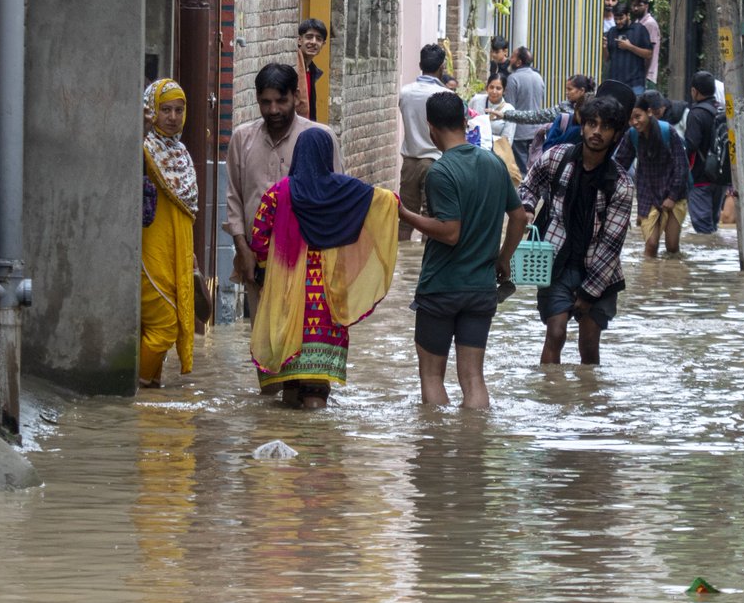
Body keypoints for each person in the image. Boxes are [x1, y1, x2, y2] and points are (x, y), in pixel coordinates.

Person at [250, 128, 399, 408]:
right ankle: (317, 443)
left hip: (286, 298)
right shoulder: (343, 192)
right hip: (326, 303)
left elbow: (258, 239)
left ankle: (292, 443)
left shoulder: (278, 194)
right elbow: (384, 201)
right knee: (316, 390)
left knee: (290, 388)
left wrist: (268, 269)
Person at [400, 92, 527, 408]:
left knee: (431, 376)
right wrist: (503, 258)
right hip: (481, 289)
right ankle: (472, 451)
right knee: (473, 378)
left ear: (430, 127)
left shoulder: (441, 172)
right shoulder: (494, 163)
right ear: (465, 121)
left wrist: (405, 214)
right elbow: (520, 216)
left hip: (441, 287)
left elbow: (450, 232)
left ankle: (437, 449)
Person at [518, 96, 632, 365]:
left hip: (600, 273)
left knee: (589, 343)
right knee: (555, 333)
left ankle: (588, 399)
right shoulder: (557, 158)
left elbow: (610, 246)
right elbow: (529, 184)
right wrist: (527, 207)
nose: (596, 132)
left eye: (605, 127)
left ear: (615, 135)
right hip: (556, 264)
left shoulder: (621, 185)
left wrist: (588, 293)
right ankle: (549, 398)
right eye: (592, 124)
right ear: (583, 126)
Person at [226, 63, 340, 321]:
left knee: (304, 346)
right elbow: (234, 198)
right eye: (266, 102)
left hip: (309, 262)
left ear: (296, 96)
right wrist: (242, 249)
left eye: (281, 100)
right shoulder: (242, 139)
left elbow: (337, 199)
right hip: (258, 263)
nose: (273, 110)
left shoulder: (319, 137)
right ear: (257, 99)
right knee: (263, 342)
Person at [140, 79, 197, 387]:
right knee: (163, 328)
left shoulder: (181, 153)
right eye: (165, 110)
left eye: (179, 110)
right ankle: (136, 385)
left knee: (160, 328)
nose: (173, 117)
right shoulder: (145, 151)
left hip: (176, 254)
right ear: (152, 110)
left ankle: (147, 400)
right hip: (151, 254)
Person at [613, 94, 690, 257]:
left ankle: (672, 278)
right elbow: (620, 165)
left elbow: (681, 166)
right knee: (651, 245)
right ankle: (649, 277)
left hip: (673, 194)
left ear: (649, 112)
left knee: (672, 246)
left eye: (637, 116)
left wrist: (672, 196)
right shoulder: (632, 135)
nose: (634, 122)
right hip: (648, 194)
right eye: (630, 119)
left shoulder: (667, 131)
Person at [398, 43, 454, 240]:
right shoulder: (446, 96)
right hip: (436, 163)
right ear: (442, 67)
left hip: (410, 163)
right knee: (432, 220)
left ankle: (400, 264)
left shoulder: (405, 92)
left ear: (420, 64)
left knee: (405, 218)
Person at [684, 70, 726, 234]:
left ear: (694, 91)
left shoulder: (696, 113)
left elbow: (691, 145)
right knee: (713, 225)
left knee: (702, 229)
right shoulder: (721, 110)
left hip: (700, 178)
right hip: (720, 177)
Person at [504, 46, 546, 174]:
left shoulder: (513, 79)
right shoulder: (538, 77)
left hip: (519, 133)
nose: (509, 59)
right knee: (534, 168)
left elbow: (509, 107)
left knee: (522, 171)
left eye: (512, 57)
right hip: (537, 130)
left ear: (518, 62)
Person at [603, 2, 653, 96]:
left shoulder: (640, 29)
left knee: (635, 110)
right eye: (616, 19)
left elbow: (649, 54)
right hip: (615, 83)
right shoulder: (612, 31)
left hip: (635, 83)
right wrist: (604, 48)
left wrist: (630, 47)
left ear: (628, 15)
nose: (618, 22)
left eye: (621, 18)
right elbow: (607, 59)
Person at [470, 73, 517, 144]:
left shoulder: (510, 110)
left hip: (494, 152)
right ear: (487, 88)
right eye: (491, 87)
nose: (494, 91)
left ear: (504, 91)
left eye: (498, 88)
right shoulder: (476, 100)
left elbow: (507, 141)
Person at [629, 0, 661, 89]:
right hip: (636, 75)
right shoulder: (637, 22)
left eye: (640, 5)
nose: (636, 8)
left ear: (646, 6)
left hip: (647, 76)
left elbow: (649, 54)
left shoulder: (650, 24)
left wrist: (644, 75)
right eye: (634, 5)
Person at [296, 18, 327, 119]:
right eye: (309, 37)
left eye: (318, 39)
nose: (313, 42)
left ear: (323, 44)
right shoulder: (294, 67)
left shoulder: (311, 70)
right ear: (300, 40)